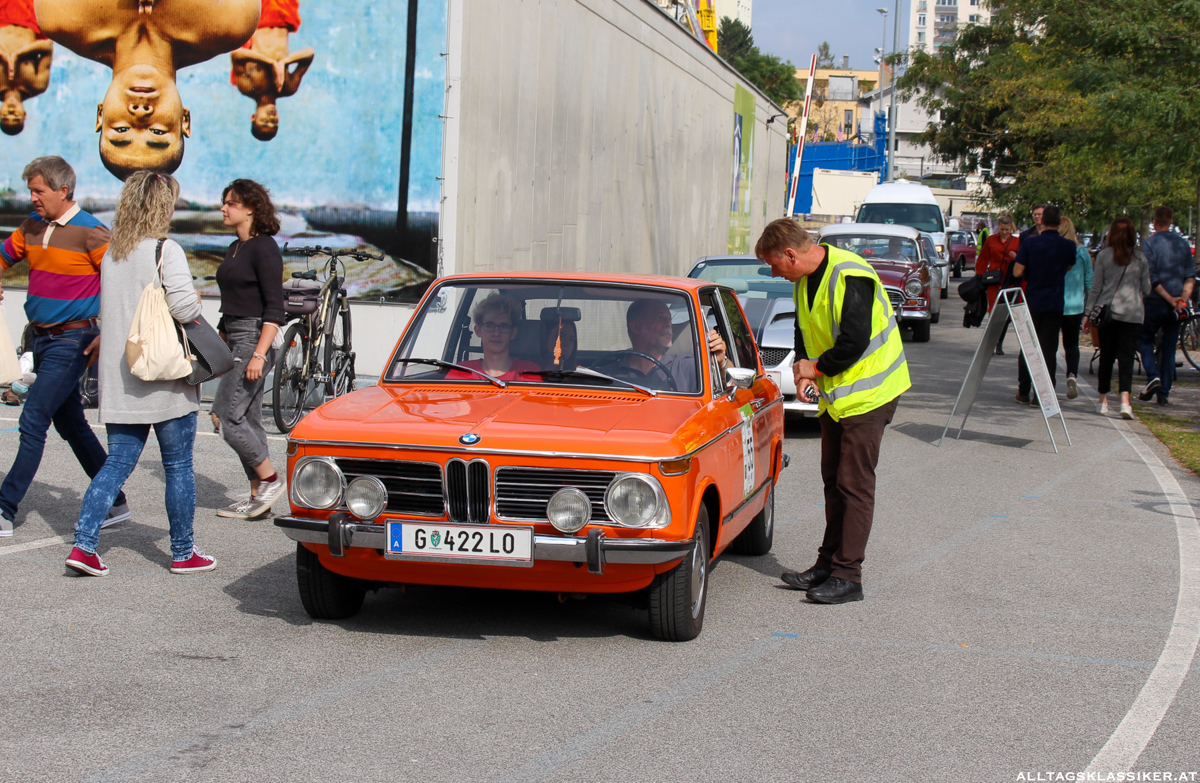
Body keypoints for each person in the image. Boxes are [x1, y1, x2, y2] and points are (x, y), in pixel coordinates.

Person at [64, 171, 215, 576]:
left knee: (115, 464)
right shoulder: (166, 250)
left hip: (123, 378)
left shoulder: (114, 253)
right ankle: (183, 552)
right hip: (165, 377)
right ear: (163, 207)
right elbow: (184, 309)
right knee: (178, 466)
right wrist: (195, 300)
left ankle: (84, 545)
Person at [756, 218, 910, 605]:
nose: (774, 273)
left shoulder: (851, 274)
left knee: (853, 485)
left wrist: (817, 368)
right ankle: (827, 565)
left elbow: (854, 341)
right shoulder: (804, 280)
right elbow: (804, 330)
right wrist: (802, 369)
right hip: (839, 397)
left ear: (790, 254)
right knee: (833, 481)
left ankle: (848, 576)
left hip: (870, 395)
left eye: (774, 264)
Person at [0, 156, 129, 538]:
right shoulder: (31, 226)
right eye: (30, 191)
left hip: (74, 340)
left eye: (38, 191)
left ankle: (4, 508)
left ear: (63, 190)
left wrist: (109, 333)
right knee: (70, 422)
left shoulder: (92, 232)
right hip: (40, 338)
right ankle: (115, 500)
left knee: (33, 419)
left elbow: (122, 286)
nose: (33, 198)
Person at [35, 0, 260, 177]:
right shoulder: (232, 21)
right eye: (158, 132)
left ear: (101, 115)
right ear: (184, 120)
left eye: (121, 130)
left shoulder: (59, 15)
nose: (140, 114)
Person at [212, 179, 286, 520]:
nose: (224, 208)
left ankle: (270, 480)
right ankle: (258, 497)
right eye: (224, 202)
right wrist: (219, 342)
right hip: (234, 335)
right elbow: (233, 302)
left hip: (254, 338)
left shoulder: (264, 247)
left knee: (226, 415)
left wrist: (259, 354)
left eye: (231, 203)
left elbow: (274, 308)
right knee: (248, 418)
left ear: (251, 208)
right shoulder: (235, 247)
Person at [1084, 216, 1151, 419]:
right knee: (1127, 358)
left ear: (1111, 234)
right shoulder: (1140, 258)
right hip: (1132, 313)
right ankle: (1125, 401)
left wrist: (1088, 313)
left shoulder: (1104, 256)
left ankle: (1102, 400)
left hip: (1108, 313)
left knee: (1106, 356)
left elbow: (1096, 287)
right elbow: (1147, 288)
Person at [1011, 205, 1075, 404]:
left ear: (1043, 220)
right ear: (1060, 221)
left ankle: (1023, 390)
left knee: (1028, 345)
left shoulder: (1030, 243)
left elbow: (1017, 271)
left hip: (1032, 299)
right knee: (1048, 349)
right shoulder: (1068, 245)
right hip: (1055, 301)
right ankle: (1044, 393)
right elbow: (1069, 267)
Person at [230, 0, 314, 141]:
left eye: (264, 121)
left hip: (259, 16)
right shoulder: (288, 87)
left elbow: (236, 55)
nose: (271, 119)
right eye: (275, 124)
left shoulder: (247, 88)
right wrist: (284, 62)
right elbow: (309, 53)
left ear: (253, 117)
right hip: (283, 14)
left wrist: (271, 63)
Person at [1136, 206, 1195, 405]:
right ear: (1171, 221)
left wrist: (1169, 298)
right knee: (1170, 347)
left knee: (1144, 340)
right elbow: (1189, 276)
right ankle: (1164, 393)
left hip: (1154, 301)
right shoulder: (1183, 244)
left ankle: (1153, 376)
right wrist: (1181, 300)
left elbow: (1151, 277)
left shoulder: (1149, 244)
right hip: (1177, 305)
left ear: (1154, 221)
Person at [605, 298, 727, 392]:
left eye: (669, 319)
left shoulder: (685, 367)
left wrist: (721, 363)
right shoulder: (609, 375)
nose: (668, 323)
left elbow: (729, 387)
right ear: (636, 327)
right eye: (659, 318)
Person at [446, 293, 540, 381]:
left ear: (513, 333)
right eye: (489, 325)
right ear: (478, 330)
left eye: (504, 326)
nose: (496, 333)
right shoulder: (460, 373)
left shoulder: (530, 372)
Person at [0, 0, 52, 135]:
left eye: (5, 116)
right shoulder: (37, 85)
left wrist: (2, 55)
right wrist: (19, 55)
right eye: (16, 117)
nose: (11, 111)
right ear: (25, 114)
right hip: (28, 17)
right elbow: (48, 46)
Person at [1058, 216, 1093, 399]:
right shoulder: (1082, 252)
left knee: (1050, 344)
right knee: (1071, 344)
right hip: (1075, 305)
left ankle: (1048, 380)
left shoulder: (1055, 250)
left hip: (1055, 303)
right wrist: (1089, 307)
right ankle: (1072, 374)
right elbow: (1089, 280)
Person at [974, 214, 1020, 355]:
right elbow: (983, 258)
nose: (1004, 232)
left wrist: (1016, 257)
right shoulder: (991, 240)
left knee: (1006, 312)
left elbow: (1023, 261)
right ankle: (992, 343)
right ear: (998, 227)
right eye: (1002, 229)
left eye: (1007, 230)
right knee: (993, 310)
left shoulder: (1017, 242)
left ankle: (999, 342)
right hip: (994, 279)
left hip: (1009, 279)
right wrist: (979, 275)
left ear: (1011, 228)